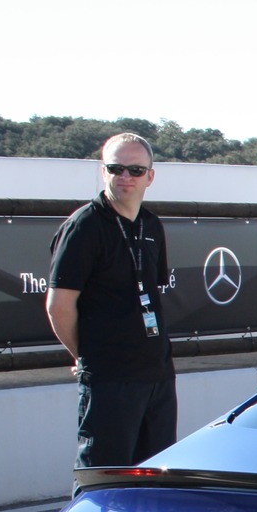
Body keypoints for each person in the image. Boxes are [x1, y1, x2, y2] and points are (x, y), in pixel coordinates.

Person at [47, 132, 177, 469]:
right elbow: (58, 306)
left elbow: (149, 296)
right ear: (103, 171)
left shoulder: (151, 224)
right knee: (104, 481)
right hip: (110, 380)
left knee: (153, 481)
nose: (125, 177)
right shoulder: (85, 226)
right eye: (116, 168)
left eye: (135, 170)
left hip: (157, 376)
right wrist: (85, 355)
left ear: (150, 175)